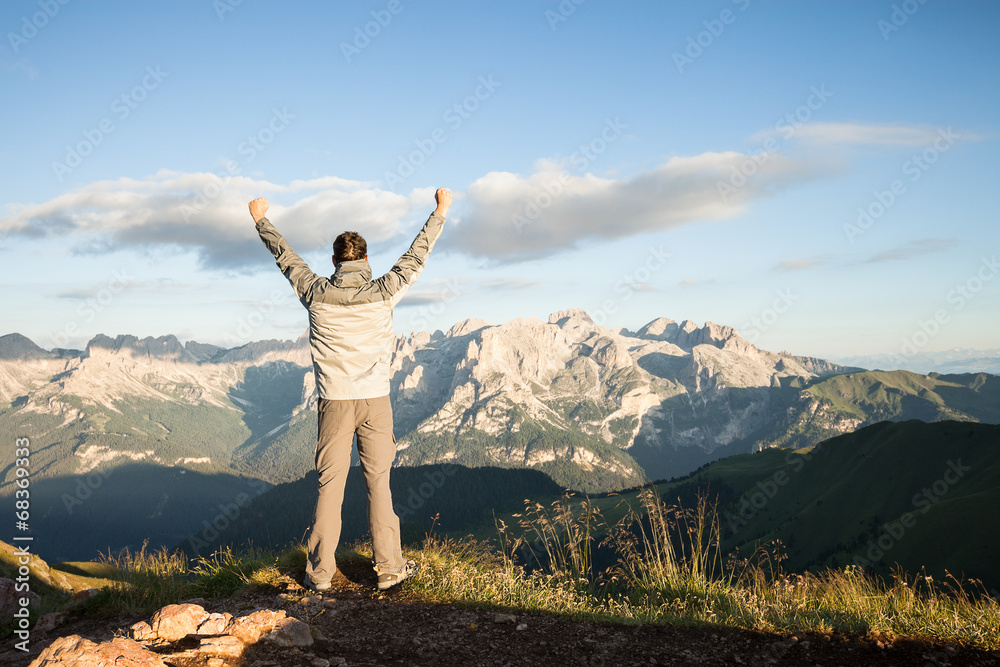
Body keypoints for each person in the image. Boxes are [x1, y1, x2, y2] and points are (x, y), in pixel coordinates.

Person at [248, 188, 452, 591]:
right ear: (366, 260)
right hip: (376, 401)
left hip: (334, 403)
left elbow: (286, 258)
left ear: (335, 262)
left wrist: (261, 220)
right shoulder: (385, 291)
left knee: (330, 486)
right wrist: (440, 211)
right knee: (379, 483)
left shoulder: (315, 292)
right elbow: (416, 255)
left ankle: (320, 575)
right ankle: (390, 569)